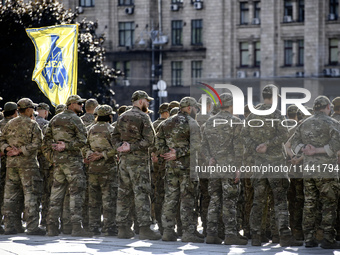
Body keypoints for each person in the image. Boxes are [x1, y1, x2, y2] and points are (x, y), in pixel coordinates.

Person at [241, 84, 302, 247]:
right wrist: (268, 144)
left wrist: (256, 146)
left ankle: (255, 236)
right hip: (275, 163)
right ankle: (282, 235)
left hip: (259, 164)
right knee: (280, 200)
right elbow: (284, 135)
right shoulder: (277, 114)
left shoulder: (253, 114)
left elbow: (243, 135)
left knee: (258, 201)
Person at [291, 95, 340, 249]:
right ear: (327, 107)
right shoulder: (333, 123)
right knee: (328, 203)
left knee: (309, 203)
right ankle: (328, 239)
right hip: (326, 170)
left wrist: (304, 150)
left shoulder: (304, 123)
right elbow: (336, 145)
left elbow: (293, 143)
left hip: (309, 170)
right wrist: (317, 150)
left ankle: (309, 239)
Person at [112, 90, 161, 240]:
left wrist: (120, 146)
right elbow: (151, 140)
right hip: (138, 162)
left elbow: (113, 136)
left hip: (124, 162)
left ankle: (123, 228)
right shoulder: (143, 117)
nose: (148, 104)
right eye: (147, 101)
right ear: (140, 101)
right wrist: (131, 147)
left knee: (123, 193)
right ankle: (144, 229)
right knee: (141, 193)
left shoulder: (122, 116)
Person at [202, 93, 248, 245]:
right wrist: (239, 167)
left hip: (214, 167)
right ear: (231, 105)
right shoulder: (235, 122)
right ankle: (230, 234)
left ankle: (211, 234)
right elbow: (238, 147)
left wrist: (210, 158)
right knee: (229, 201)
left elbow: (203, 146)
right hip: (229, 166)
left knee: (214, 200)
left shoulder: (209, 123)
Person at [156, 97, 203, 243]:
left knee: (170, 198)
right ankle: (188, 232)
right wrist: (179, 153)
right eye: (196, 108)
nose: (197, 111)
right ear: (189, 108)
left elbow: (158, 144)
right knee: (188, 199)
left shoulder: (166, 123)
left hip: (171, 167)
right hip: (188, 167)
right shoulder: (192, 123)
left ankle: (168, 231)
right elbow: (197, 145)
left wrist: (168, 154)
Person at [42, 95, 88, 237]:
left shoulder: (54, 119)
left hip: (58, 162)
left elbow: (46, 141)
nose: (81, 106)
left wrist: (53, 154)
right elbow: (83, 140)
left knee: (56, 194)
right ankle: (76, 227)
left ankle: (52, 227)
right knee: (76, 193)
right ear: (71, 104)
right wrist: (66, 146)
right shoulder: (75, 119)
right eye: (79, 103)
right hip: (72, 162)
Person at [0, 98, 45, 235]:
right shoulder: (33, 124)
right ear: (29, 109)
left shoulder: (9, 124)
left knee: (10, 196)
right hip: (28, 165)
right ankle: (32, 227)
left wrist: (7, 149)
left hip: (11, 164)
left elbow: (1, 140)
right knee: (31, 195)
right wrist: (21, 150)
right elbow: (38, 143)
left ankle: (9, 226)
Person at [83, 105, 117, 236]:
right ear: (109, 116)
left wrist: (90, 154)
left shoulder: (89, 129)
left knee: (93, 200)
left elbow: (83, 146)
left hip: (93, 168)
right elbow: (116, 148)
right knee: (108, 199)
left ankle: (94, 227)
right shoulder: (112, 129)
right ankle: (109, 227)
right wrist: (103, 154)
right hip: (108, 169)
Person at [0, 102, 19, 234]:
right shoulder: (16, 124)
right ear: (15, 111)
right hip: (13, 162)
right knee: (13, 194)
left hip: (3, 161)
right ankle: (12, 223)